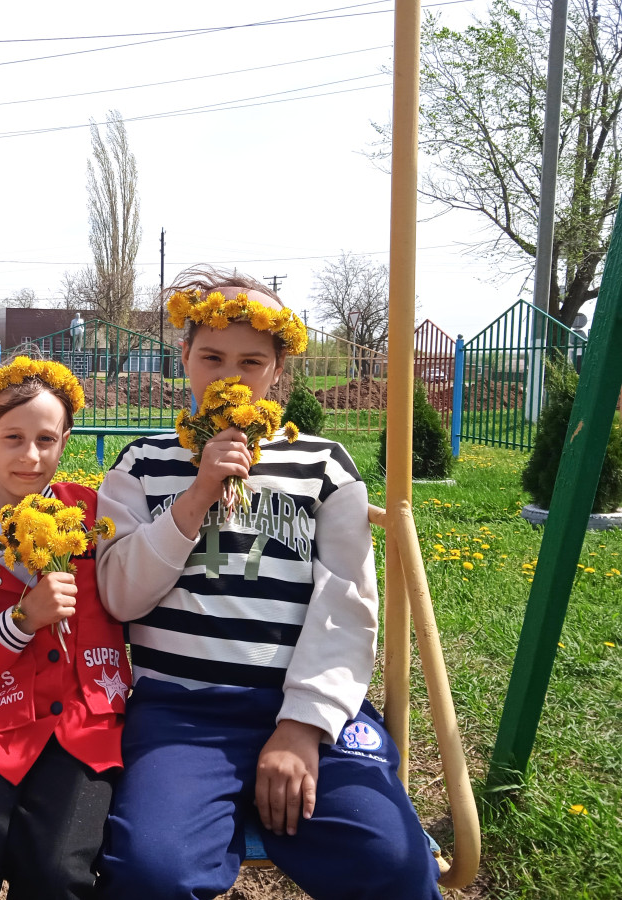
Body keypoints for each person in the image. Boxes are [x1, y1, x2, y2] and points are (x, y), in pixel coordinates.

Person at [94, 268, 441, 900]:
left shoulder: (323, 465)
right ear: (184, 358)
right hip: (182, 712)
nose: (229, 376)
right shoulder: (141, 464)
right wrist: (198, 492)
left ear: (278, 369)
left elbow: (346, 605)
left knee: (393, 861)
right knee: (152, 872)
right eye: (212, 357)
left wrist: (304, 725)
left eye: (251, 361)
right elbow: (118, 596)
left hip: (303, 709)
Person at [0, 357, 130, 900]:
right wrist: (21, 620)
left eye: (46, 439)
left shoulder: (90, 513)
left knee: (57, 873)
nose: (31, 456)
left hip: (85, 733)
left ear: (65, 439)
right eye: (12, 438)